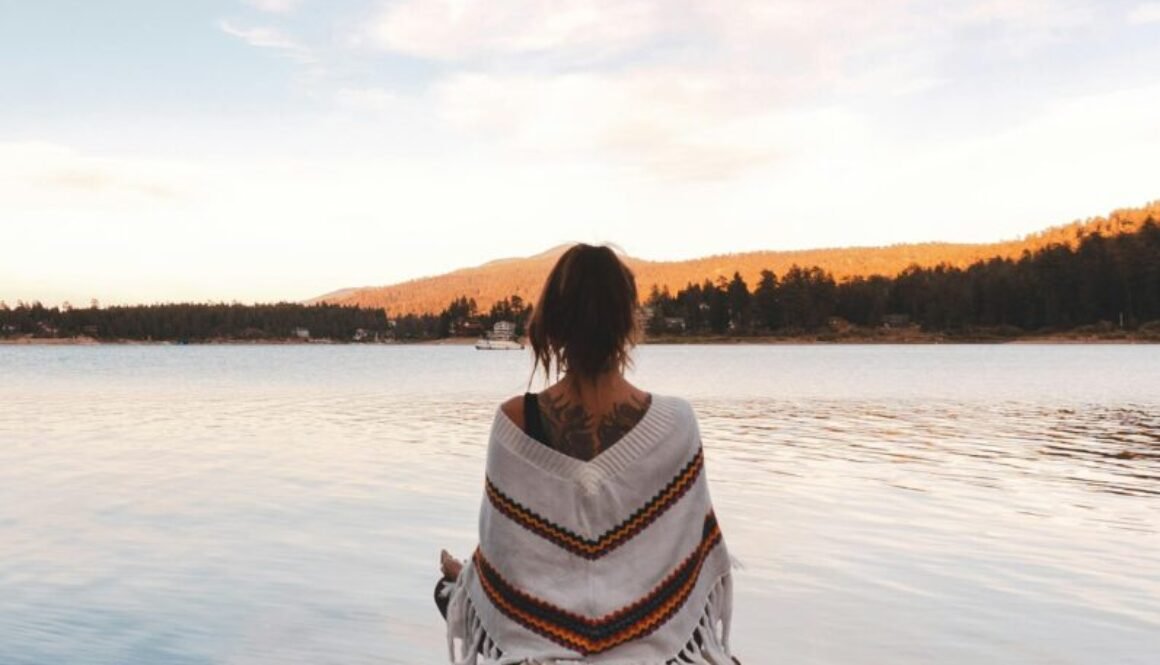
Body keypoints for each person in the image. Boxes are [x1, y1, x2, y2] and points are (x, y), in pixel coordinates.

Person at [436, 243, 739, 664]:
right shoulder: (677, 423)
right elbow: (688, 559)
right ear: (629, 320)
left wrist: (465, 582)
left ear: (553, 324)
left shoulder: (514, 423)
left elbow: (508, 563)